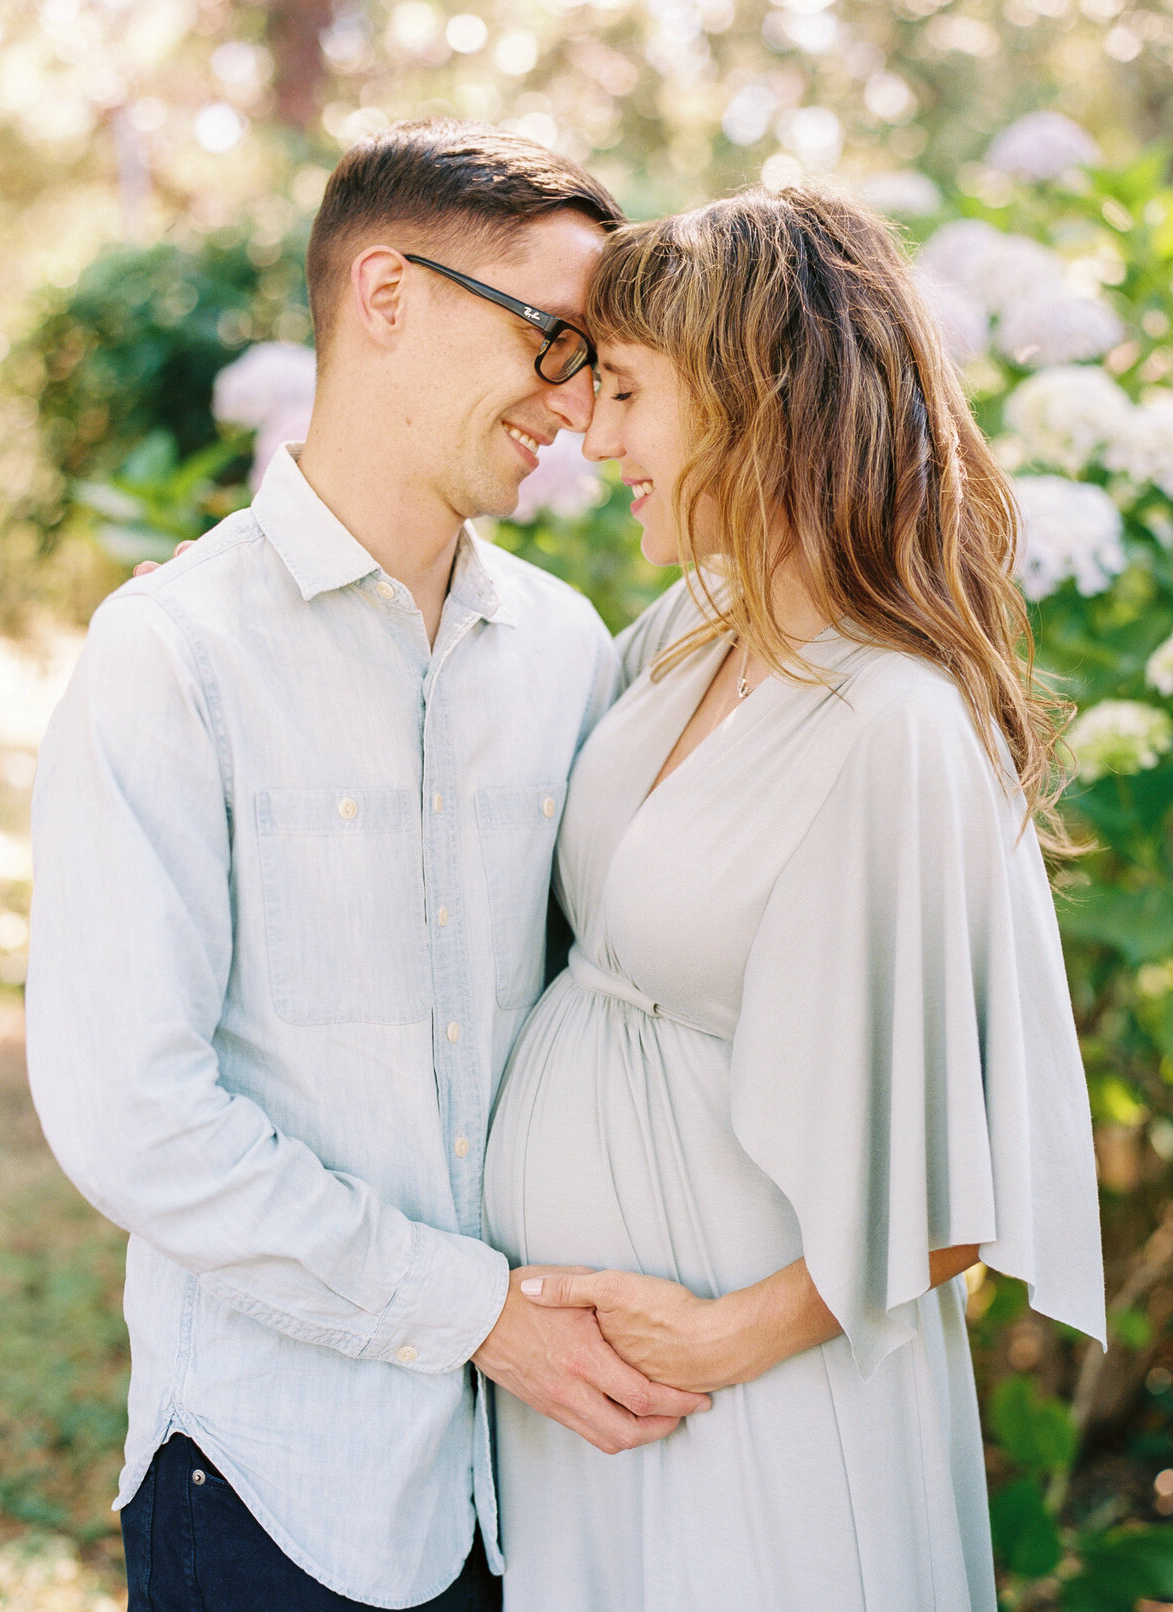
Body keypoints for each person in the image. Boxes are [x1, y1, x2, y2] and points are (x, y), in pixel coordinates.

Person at [25, 120, 710, 1612]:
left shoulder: (569, 656)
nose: (578, 402)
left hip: (540, 1487)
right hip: (278, 1484)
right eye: (553, 338)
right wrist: (473, 1317)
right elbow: (130, 1116)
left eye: (595, 363)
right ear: (387, 296)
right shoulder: (173, 658)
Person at [481, 186, 1107, 1612]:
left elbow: (973, 1155)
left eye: (629, 390)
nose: (596, 434)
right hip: (606, 1406)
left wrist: (724, 1342)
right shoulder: (698, 626)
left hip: (750, 1411)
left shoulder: (893, 721)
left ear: (756, 403)